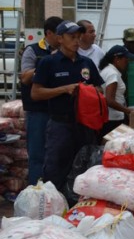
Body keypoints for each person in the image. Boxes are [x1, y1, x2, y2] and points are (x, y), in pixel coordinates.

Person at [31, 20, 104, 194]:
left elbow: (100, 89)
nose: (76, 41)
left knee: (86, 168)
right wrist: (64, 89)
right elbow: (36, 93)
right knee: (56, 168)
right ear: (60, 38)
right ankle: (53, 207)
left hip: (85, 126)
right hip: (60, 125)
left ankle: (79, 209)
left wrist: (87, 91)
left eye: (79, 37)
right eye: (72, 37)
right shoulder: (48, 62)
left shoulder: (86, 63)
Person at [19, 16, 63, 185]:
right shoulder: (32, 50)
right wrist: (46, 62)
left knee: (58, 155)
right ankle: (36, 194)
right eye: (59, 34)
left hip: (59, 112)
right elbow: (25, 77)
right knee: (37, 155)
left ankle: (56, 194)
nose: (61, 38)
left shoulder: (66, 53)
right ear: (48, 33)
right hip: (38, 112)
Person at [99, 45, 134, 136]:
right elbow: (110, 100)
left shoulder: (106, 70)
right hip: (114, 119)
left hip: (107, 117)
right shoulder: (113, 74)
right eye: (125, 59)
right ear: (117, 59)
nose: (127, 62)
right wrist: (128, 111)